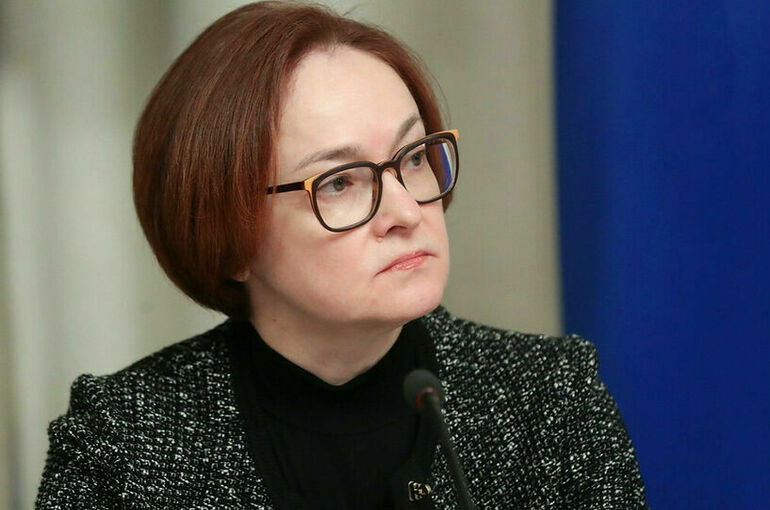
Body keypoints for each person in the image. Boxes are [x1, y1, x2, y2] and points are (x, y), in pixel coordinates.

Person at [35, 2, 647, 509]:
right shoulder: (122, 442)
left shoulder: (549, 399)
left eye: (414, 157)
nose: (406, 211)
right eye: (339, 182)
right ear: (228, 236)